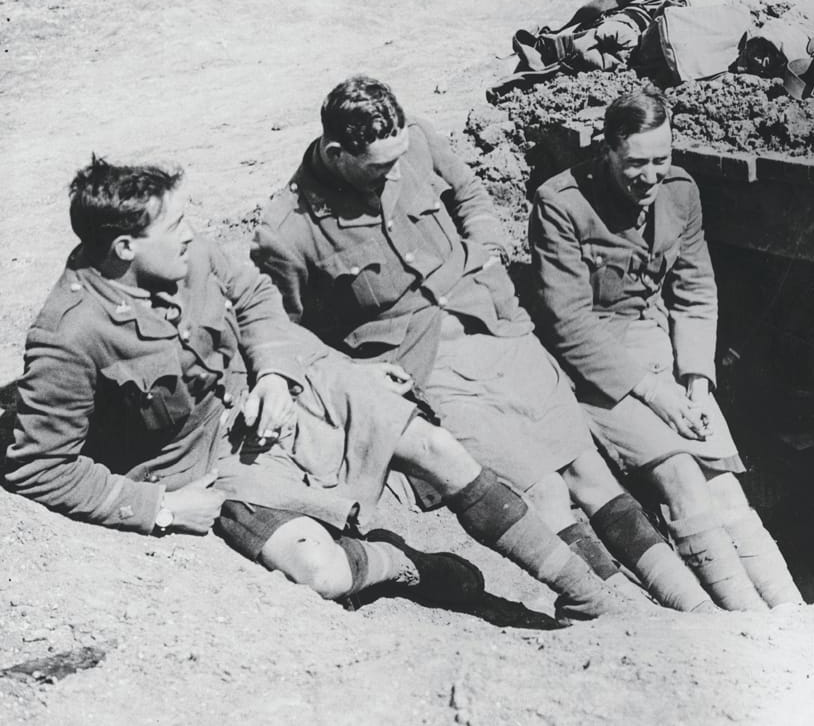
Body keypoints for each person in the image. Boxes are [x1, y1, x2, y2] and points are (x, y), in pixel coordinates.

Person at [4, 157, 632, 621]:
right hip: (203, 465)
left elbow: (254, 300)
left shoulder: (190, 256)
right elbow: (37, 464)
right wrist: (159, 508)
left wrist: (275, 372)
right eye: (176, 224)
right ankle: (396, 561)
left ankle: (585, 597)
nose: (192, 231)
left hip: (274, 391)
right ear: (124, 248)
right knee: (322, 572)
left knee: (439, 450)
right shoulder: (68, 337)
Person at [252, 75, 713, 613]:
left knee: (590, 472)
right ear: (337, 153)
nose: (397, 172)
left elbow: (472, 194)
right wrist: (355, 373)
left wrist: (486, 249)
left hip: (496, 326)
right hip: (427, 366)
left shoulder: (415, 139)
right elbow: (283, 331)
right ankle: (615, 608)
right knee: (542, 491)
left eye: (400, 157)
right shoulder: (288, 230)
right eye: (381, 168)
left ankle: (692, 608)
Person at [527, 88, 804, 610]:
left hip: (663, 355)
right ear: (606, 151)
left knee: (724, 487)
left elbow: (695, 291)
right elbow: (567, 322)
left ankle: (791, 616)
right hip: (597, 369)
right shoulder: (560, 204)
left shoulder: (680, 192)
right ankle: (741, 621)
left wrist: (696, 383)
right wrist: (658, 395)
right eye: (636, 163)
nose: (651, 176)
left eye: (662, 160)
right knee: (679, 476)